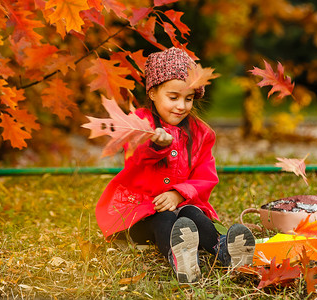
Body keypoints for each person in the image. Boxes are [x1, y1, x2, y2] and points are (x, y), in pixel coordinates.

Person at [95, 47, 255, 283]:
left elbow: (206, 176)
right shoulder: (141, 124)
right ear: (152, 93)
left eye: (188, 99)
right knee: (166, 220)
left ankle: (222, 249)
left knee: (192, 214)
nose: (181, 106)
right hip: (140, 214)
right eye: (173, 97)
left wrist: (181, 194)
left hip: (181, 207)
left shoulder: (200, 134)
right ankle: (181, 258)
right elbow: (135, 159)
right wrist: (156, 145)